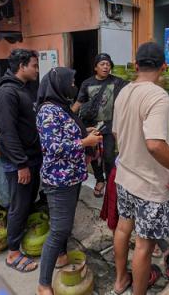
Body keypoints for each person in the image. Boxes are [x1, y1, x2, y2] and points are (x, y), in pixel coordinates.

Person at [111, 42, 169, 295]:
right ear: (164, 66)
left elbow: (115, 132)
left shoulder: (123, 91)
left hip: (124, 176)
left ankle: (120, 280)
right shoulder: (157, 95)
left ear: (135, 65)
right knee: (144, 245)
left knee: (123, 228)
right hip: (150, 185)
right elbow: (155, 145)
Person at [35, 67, 102, 295]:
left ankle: (61, 258)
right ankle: (43, 284)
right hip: (59, 180)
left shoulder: (62, 108)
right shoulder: (48, 111)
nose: (74, 85)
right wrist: (84, 143)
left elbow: (66, 135)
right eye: (71, 81)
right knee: (58, 230)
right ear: (59, 84)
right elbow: (52, 147)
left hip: (72, 177)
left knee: (63, 228)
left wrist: (86, 133)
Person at [0, 49, 42, 273]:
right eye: (34, 65)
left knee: (27, 202)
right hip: (19, 162)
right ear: (22, 65)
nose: (37, 69)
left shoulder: (23, 89)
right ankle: (12, 253)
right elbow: (7, 132)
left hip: (30, 158)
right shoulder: (7, 93)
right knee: (19, 205)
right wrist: (21, 163)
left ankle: (21, 239)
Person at [72, 53, 127, 198]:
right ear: (96, 67)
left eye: (108, 64)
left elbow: (130, 92)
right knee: (94, 156)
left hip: (110, 127)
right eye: (102, 64)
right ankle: (99, 180)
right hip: (91, 128)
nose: (106, 67)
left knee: (109, 156)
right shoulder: (87, 83)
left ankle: (110, 182)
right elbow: (79, 102)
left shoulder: (117, 82)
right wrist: (68, 117)